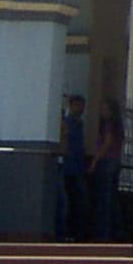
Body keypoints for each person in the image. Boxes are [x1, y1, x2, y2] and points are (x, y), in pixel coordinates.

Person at [89, 97, 123, 241]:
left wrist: (94, 161)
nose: (103, 112)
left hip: (106, 162)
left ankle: (103, 234)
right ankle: (115, 232)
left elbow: (107, 143)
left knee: (105, 199)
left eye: (105, 109)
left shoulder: (109, 125)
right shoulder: (118, 126)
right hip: (115, 162)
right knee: (111, 199)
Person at [56, 94, 88, 241]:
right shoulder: (66, 123)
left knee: (77, 202)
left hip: (77, 168)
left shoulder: (79, 124)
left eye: (82, 106)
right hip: (66, 167)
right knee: (65, 201)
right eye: (77, 105)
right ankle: (64, 233)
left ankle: (75, 233)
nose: (80, 109)